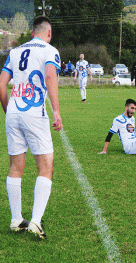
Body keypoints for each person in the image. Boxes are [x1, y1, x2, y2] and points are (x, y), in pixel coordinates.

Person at [0, 16, 63, 239]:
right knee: (46, 166)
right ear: (49, 33)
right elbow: (49, 74)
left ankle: (16, 219)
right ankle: (35, 221)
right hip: (35, 111)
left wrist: (8, 109)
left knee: (16, 166)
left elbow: (1, 82)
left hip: (14, 112)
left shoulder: (15, 52)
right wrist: (56, 111)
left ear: (32, 32)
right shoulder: (49, 49)